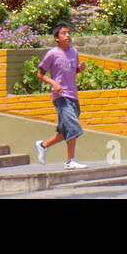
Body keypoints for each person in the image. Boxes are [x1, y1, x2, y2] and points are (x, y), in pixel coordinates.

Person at [34, 23, 87, 169]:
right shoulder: (52, 54)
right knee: (73, 126)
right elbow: (40, 74)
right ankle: (71, 160)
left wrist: (80, 69)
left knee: (65, 131)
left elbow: (72, 72)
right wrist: (53, 83)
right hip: (60, 96)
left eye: (69, 33)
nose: (68, 36)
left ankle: (43, 146)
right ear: (56, 38)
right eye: (64, 33)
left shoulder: (74, 52)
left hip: (73, 95)